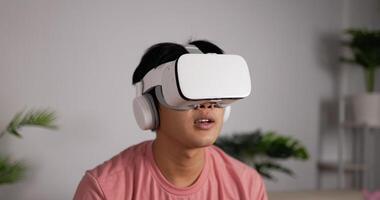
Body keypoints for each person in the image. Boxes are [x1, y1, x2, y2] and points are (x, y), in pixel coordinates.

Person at [73, 40, 268, 200]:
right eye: (188, 93)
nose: (206, 104)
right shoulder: (103, 190)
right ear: (149, 107)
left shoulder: (247, 186)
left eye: (215, 93)